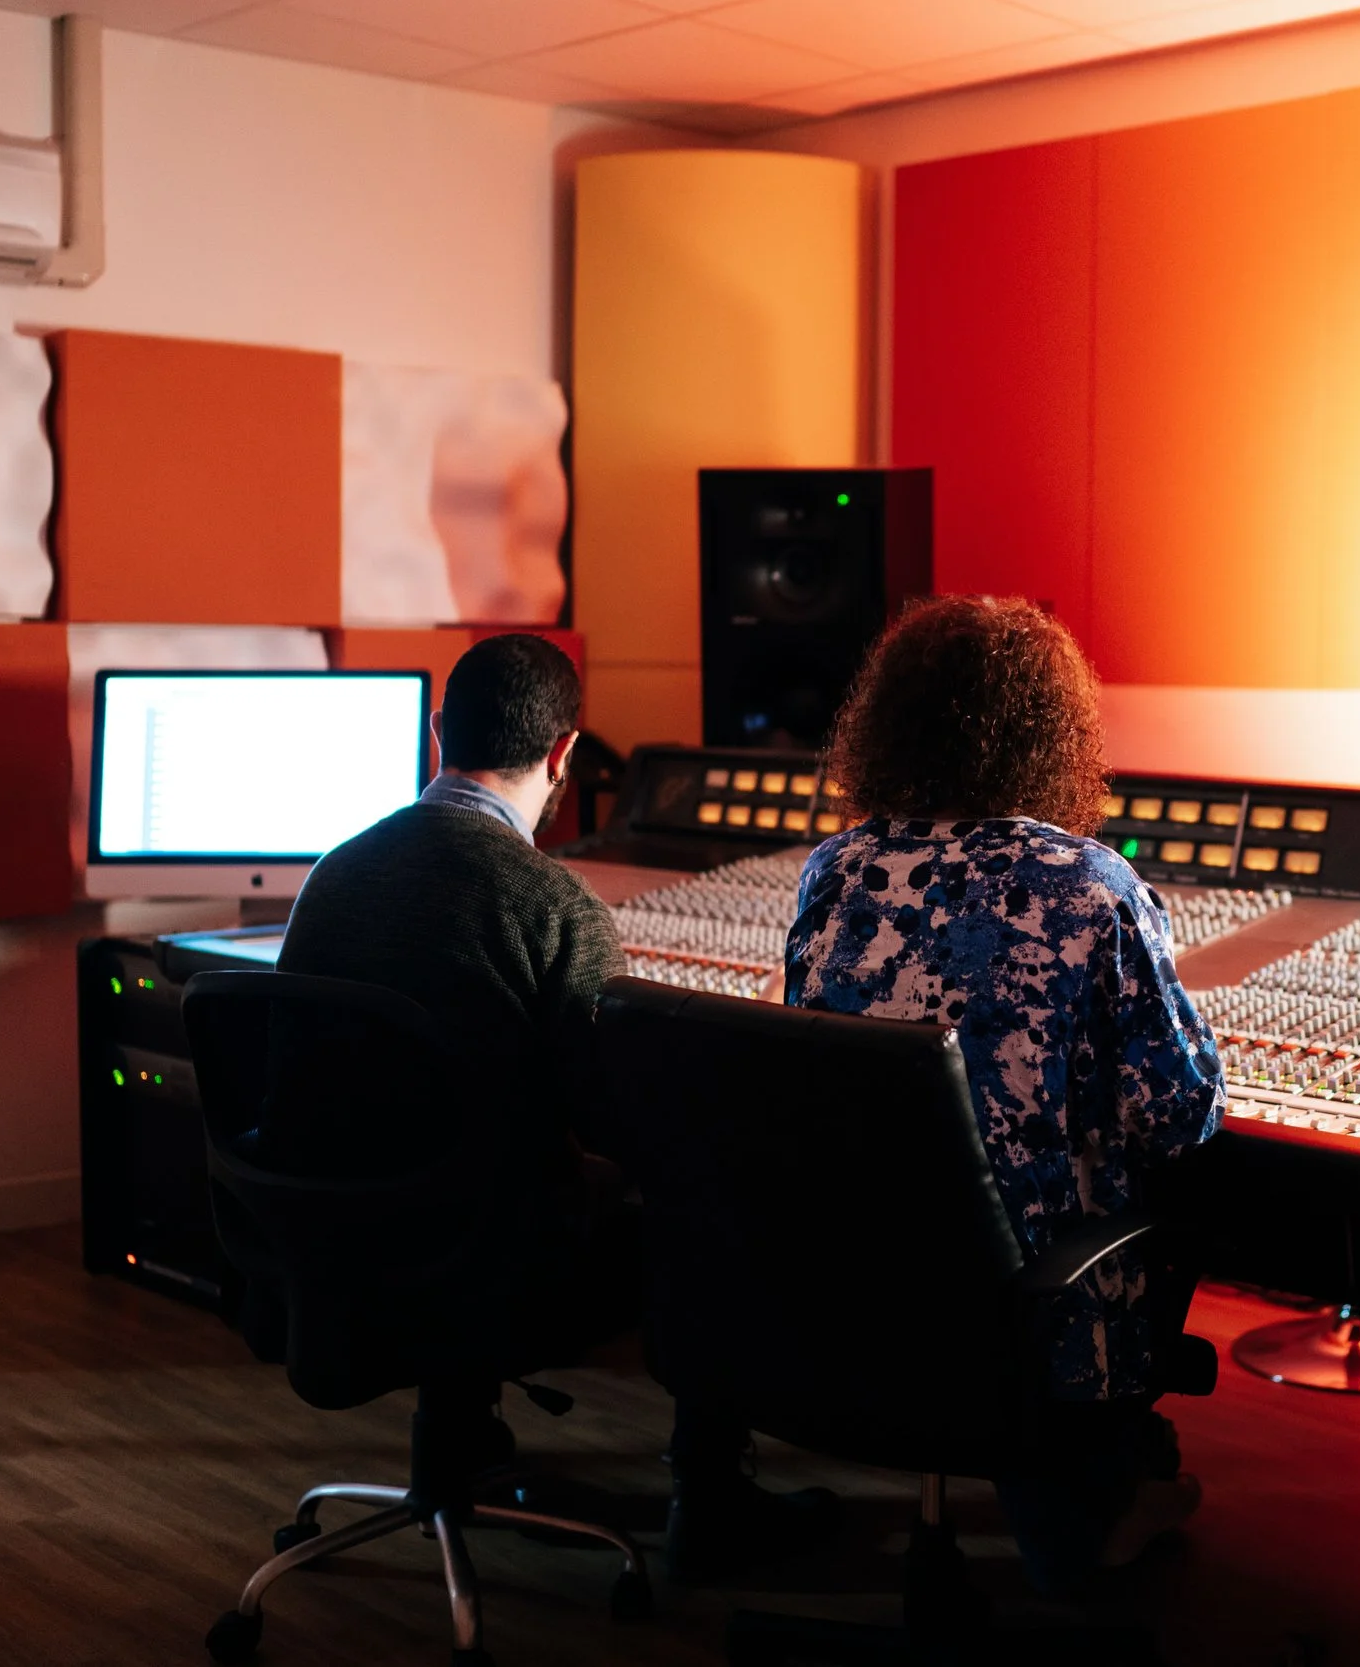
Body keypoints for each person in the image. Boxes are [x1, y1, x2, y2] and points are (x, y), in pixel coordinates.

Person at [277, 632, 830, 1579]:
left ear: (440, 728)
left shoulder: (334, 874)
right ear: (565, 754)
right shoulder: (550, 903)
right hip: (495, 1259)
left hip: (337, 1240)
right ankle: (712, 1498)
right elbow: (617, 1118)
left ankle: (462, 1434)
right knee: (699, 1187)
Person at [783, 595, 1223, 1592]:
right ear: (1052, 734)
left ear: (887, 723)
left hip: (853, 1285)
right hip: (1035, 1312)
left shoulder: (835, 872)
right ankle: (1090, 1502)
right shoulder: (1092, 886)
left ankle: (1066, 1492)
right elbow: (1179, 1112)